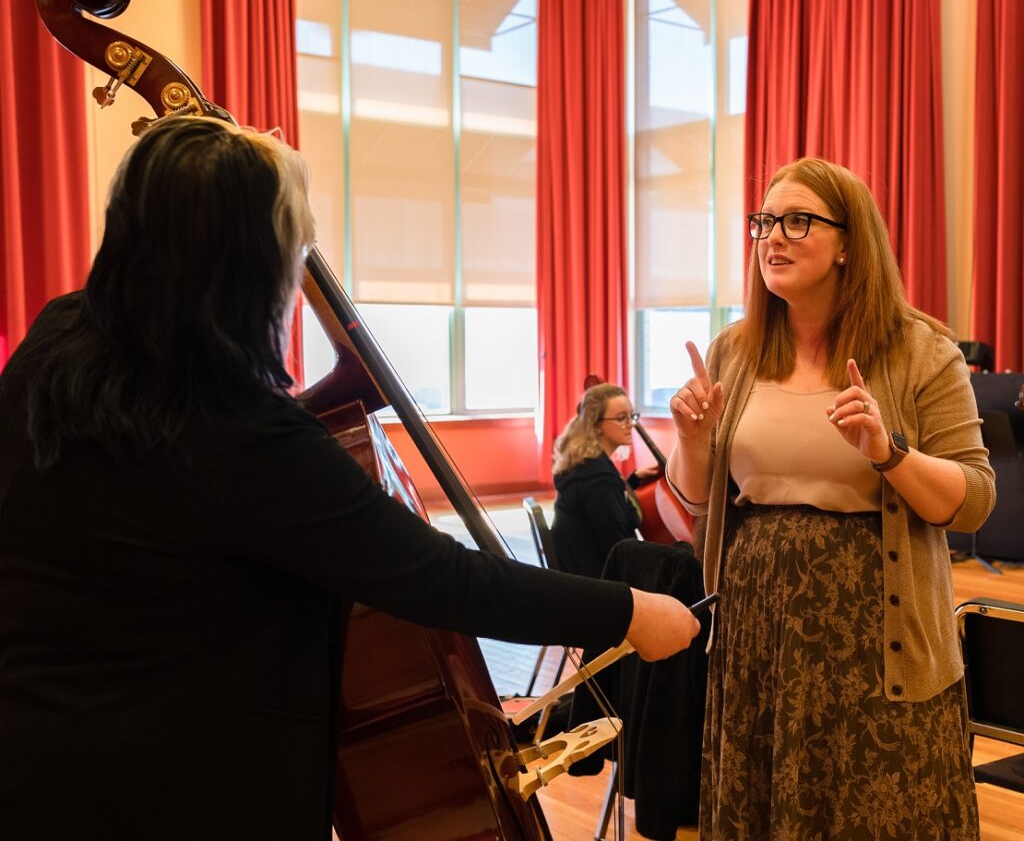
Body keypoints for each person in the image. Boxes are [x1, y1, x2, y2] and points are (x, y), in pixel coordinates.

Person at [0, 116, 702, 841]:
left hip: (33, 754)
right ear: (246, 270)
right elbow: (439, 578)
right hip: (178, 783)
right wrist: (629, 612)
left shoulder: (59, 340)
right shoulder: (236, 430)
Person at [665, 157, 995, 839]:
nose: (772, 238)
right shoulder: (736, 349)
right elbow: (698, 500)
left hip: (876, 629)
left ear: (849, 242)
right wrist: (693, 439)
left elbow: (975, 500)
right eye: (763, 222)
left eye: (797, 221)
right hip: (758, 623)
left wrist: (889, 452)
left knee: (873, 805)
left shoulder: (918, 350)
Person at [551, 383, 651, 579]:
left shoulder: (586, 465)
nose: (630, 423)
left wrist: (632, 481)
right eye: (621, 418)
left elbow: (606, 509)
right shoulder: (599, 480)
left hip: (579, 570)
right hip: (596, 583)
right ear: (596, 425)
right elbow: (621, 548)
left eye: (632, 416)